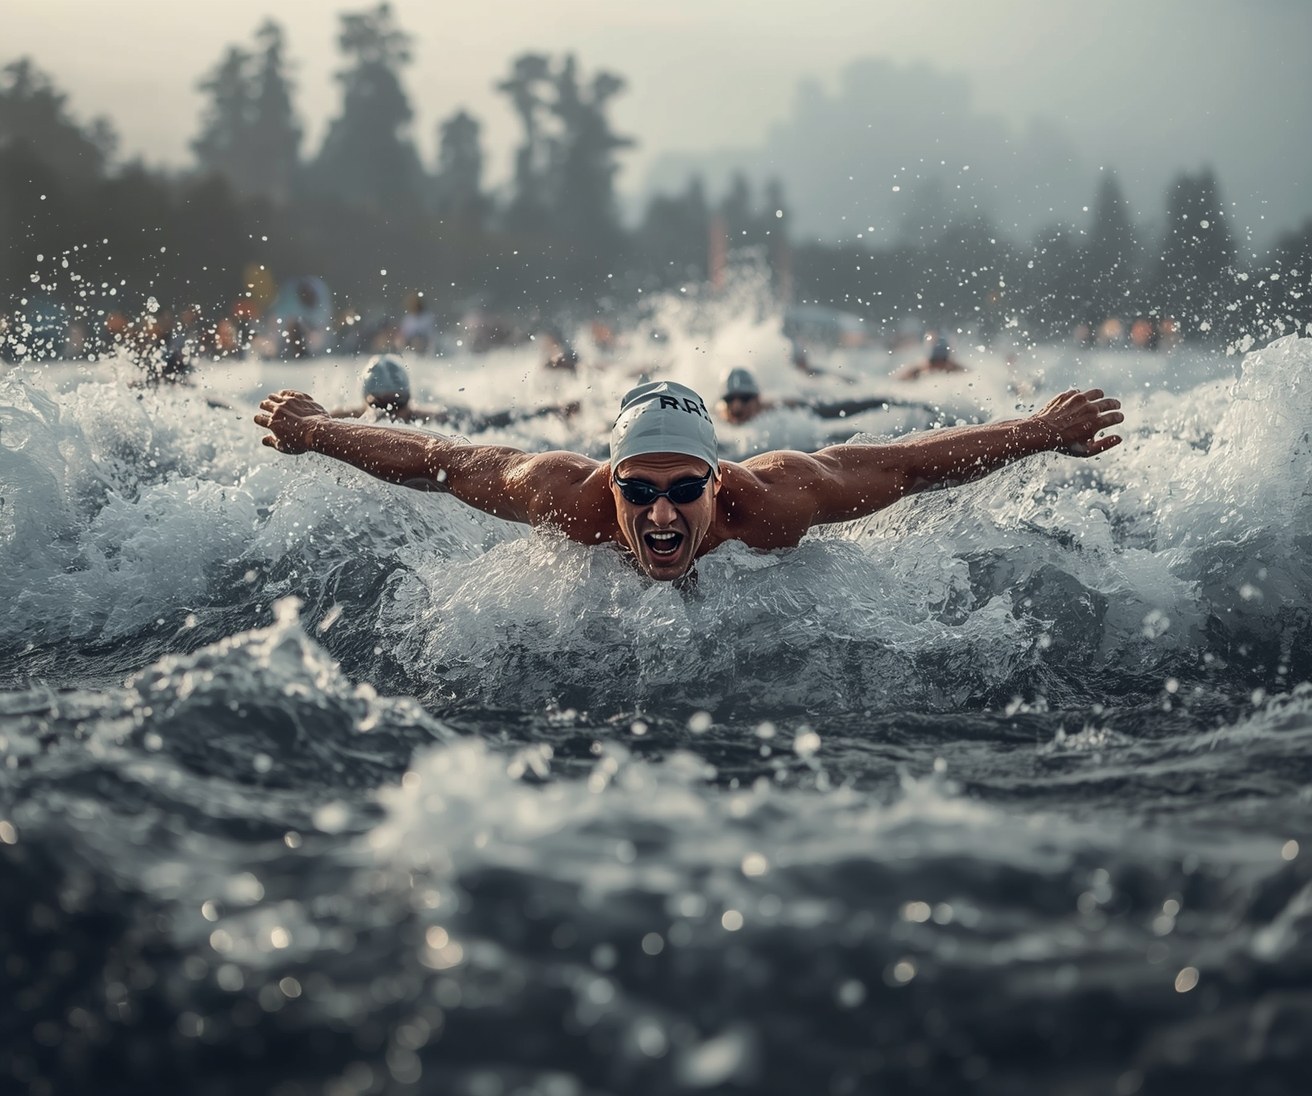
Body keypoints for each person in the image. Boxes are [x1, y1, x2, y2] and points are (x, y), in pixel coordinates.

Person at [256, 378, 1124, 584]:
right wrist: (314, 431)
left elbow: (901, 462)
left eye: (683, 489)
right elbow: (443, 462)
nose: (661, 512)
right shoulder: (568, 497)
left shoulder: (777, 498)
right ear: (612, 483)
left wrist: (1040, 433)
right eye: (639, 491)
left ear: (718, 483)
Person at [332, 354, 578, 431]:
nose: (390, 414)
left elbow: (490, 421)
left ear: (409, 399)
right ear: (365, 402)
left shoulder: (434, 419)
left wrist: (548, 410)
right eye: (380, 405)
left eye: (397, 404)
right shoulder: (341, 419)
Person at [715, 367, 936, 426]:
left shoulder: (781, 409)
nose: (737, 406)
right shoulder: (718, 417)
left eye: (744, 398)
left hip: (810, 406)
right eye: (730, 399)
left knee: (850, 407)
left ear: (757, 399)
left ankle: (895, 401)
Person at [896, 336, 967, 381]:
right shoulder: (918, 370)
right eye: (935, 361)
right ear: (929, 360)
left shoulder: (955, 369)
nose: (939, 366)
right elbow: (896, 381)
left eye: (942, 360)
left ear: (947, 360)